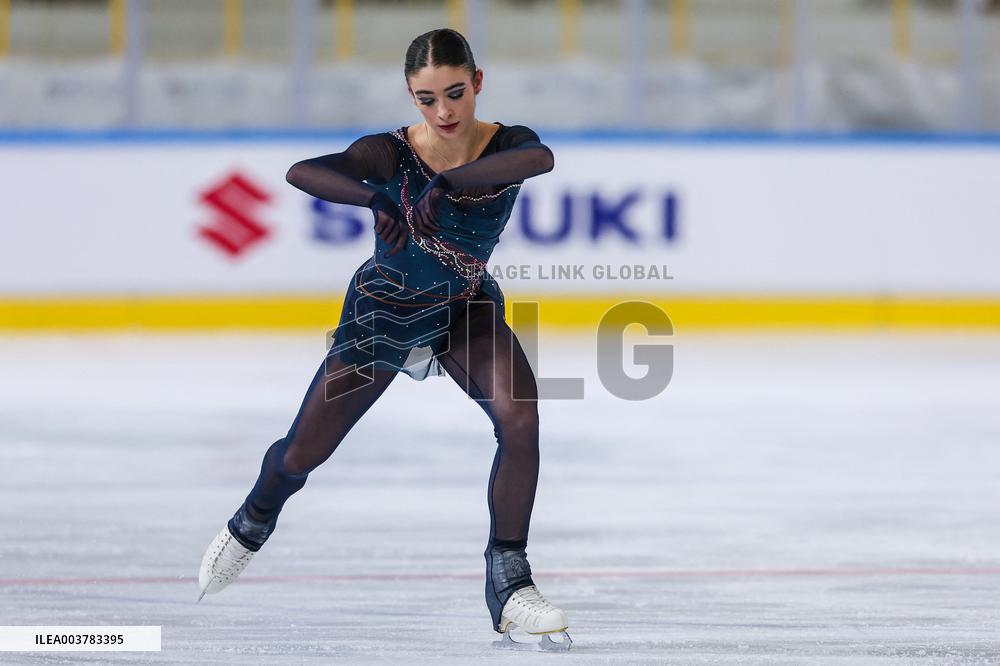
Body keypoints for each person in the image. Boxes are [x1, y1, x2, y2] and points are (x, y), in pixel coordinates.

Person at [196, 28, 571, 651]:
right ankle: (253, 519)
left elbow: (540, 161)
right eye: (427, 99)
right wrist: (374, 196)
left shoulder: (510, 143)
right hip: (383, 312)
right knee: (300, 455)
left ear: (478, 83)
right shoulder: (387, 152)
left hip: (464, 308)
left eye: (455, 93)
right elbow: (303, 172)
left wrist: (447, 185)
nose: (444, 112)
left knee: (522, 420)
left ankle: (509, 582)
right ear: (410, 96)